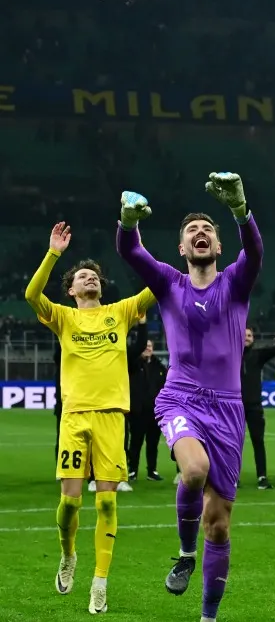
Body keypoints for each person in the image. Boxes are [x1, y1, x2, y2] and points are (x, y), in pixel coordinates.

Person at [115, 173, 262, 622]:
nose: (200, 233)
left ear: (218, 245)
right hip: (180, 398)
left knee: (218, 524)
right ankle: (184, 553)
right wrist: (128, 222)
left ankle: (207, 617)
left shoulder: (235, 282)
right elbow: (130, 251)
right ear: (182, 248)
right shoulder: (168, 282)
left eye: (207, 230)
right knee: (193, 470)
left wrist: (240, 210)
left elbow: (255, 251)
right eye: (192, 231)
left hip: (228, 410)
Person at [28, 221, 156, 614]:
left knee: (106, 505)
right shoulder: (64, 317)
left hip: (111, 418)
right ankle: (68, 555)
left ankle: (99, 581)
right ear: (71, 289)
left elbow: (158, 284)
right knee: (69, 503)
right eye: (82, 276)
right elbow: (32, 294)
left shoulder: (120, 312)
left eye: (94, 275)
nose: (90, 278)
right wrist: (54, 253)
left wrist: (139, 246)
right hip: (74, 417)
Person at [241, 326, 275, 490]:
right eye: (244, 335)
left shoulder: (258, 355)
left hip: (254, 405)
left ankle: (262, 477)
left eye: (249, 335)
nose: (246, 337)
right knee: (234, 444)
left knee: (258, 441)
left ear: (253, 338)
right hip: (235, 406)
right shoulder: (230, 355)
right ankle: (232, 478)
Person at [128, 318, 167, 482]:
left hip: (155, 412)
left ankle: (152, 471)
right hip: (137, 411)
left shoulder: (160, 367)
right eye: (145, 346)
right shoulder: (133, 365)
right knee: (135, 443)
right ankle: (132, 470)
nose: (148, 348)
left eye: (150, 346)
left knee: (153, 443)